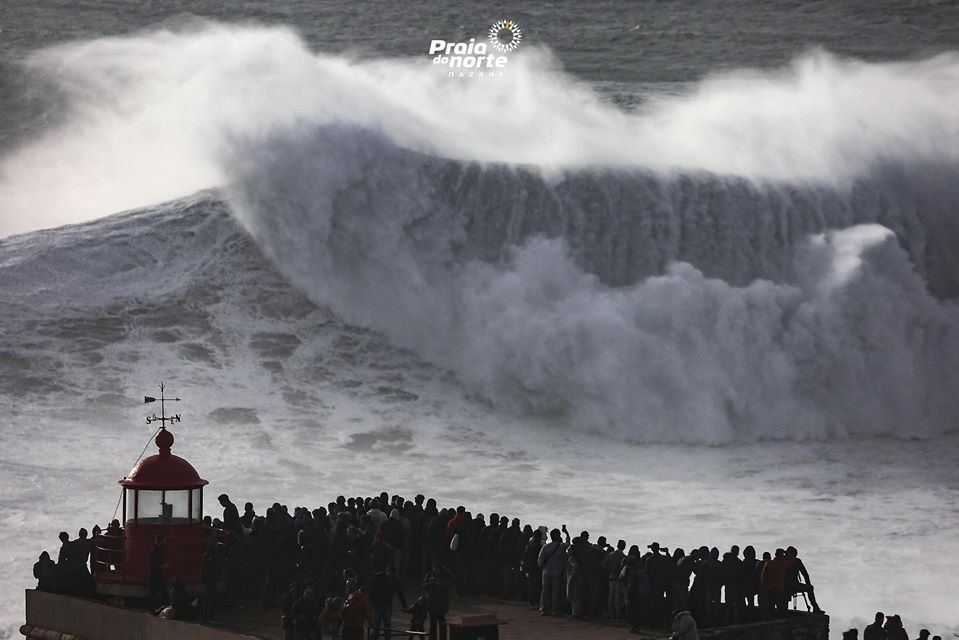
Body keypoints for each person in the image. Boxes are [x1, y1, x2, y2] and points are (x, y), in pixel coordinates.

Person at [368, 565, 407, 640]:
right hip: (376, 605)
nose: (390, 576)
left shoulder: (394, 580)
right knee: (376, 626)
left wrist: (404, 605)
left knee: (387, 627)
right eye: (389, 574)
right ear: (387, 571)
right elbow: (371, 588)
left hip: (387, 606)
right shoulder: (378, 577)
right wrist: (371, 600)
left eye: (392, 574)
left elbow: (400, 593)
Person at [537, 527, 569, 616]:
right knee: (555, 592)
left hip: (546, 571)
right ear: (558, 536)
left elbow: (540, 559)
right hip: (557, 572)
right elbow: (568, 544)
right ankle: (554, 610)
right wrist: (567, 534)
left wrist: (543, 567)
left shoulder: (546, 546)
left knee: (545, 591)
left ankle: (543, 608)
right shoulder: (562, 547)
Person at [783, 546, 823, 614]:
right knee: (810, 588)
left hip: (782, 586)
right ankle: (815, 607)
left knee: (784, 600)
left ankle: (783, 611)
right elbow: (805, 574)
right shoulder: (797, 562)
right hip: (793, 585)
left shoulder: (781, 560)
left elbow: (805, 574)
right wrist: (808, 584)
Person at [423, 561, 455, 640]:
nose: (436, 570)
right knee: (433, 626)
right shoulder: (429, 575)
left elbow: (449, 585)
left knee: (442, 625)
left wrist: (439, 583)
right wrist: (430, 583)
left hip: (441, 605)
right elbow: (423, 587)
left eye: (437, 569)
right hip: (432, 604)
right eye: (434, 569)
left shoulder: (445, 576)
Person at [604, 539, 626, 619]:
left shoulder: (610, 555)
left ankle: (611, 614)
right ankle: (618, 615)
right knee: (618, 598)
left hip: (611, 578)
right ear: (624, 547)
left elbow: (604, 565)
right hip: (619, 579)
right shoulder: (623, 557)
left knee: (610, 597)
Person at [149, 534, 167, 608]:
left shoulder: (156, 550)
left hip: (156, 573)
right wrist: (162, 565)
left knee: (155, 591)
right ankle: (155, 606)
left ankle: (155, 606)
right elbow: (153, 563)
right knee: (156, 590)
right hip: (156, 573)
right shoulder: (156, 550)